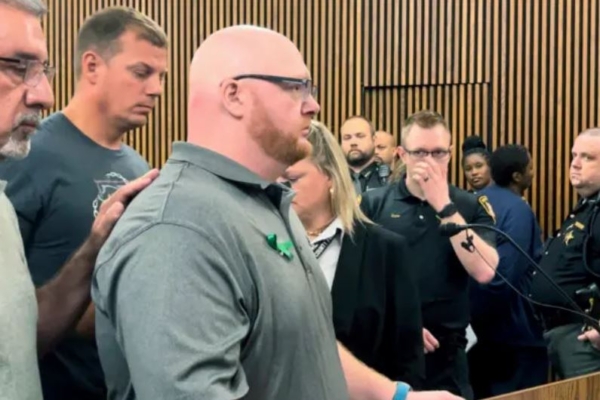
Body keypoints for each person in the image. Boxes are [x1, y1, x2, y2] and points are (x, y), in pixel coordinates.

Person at [92, 25, 462, 400]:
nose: (313, 105)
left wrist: (397, 396)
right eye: (294, 87)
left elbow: (306, 346)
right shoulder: (177, 232)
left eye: (310, 89)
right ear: (234, 95)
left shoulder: (268, 203)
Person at [0, 6, 168, 399]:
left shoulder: (138, 167)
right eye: (142, 72)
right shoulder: (26, 153)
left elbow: (16, 326)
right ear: (92, 66)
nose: (157, 89)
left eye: (161, 77)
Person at [360, 110, 499, 400]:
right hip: (388, 350)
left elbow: (485, 271)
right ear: (402, 154)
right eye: (420, 152)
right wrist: (401, 322)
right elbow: (358, 280)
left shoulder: (469, 205)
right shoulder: (374, 203)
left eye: (438, 153)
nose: (430, 162)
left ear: (450, 154)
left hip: (447, 354)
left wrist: (443, 205)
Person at [284, 120, 425, 388]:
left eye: (292, 179)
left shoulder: (385, 250)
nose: (282, 190)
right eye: (275, 180)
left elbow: (409, 362)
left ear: (329, 175)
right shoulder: (264, 243)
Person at [468, 144, 548, 398]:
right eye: (531, 168)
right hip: (514, 337)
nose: (533, 173)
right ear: (517, 176)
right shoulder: (518, 209)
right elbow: (504, 277)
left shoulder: (474, 201)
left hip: (476, 336)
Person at [530, 127, 600, 379]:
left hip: (584, 338)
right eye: (574, 155)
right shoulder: (586, 207)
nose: (576, 164)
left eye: (588, 157)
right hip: (562, 333)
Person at [341, 115, 389, 193]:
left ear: (374, 140)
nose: (353, 142)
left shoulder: (390, 179)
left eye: (360, 136)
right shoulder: (332, 179)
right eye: (347, 138)